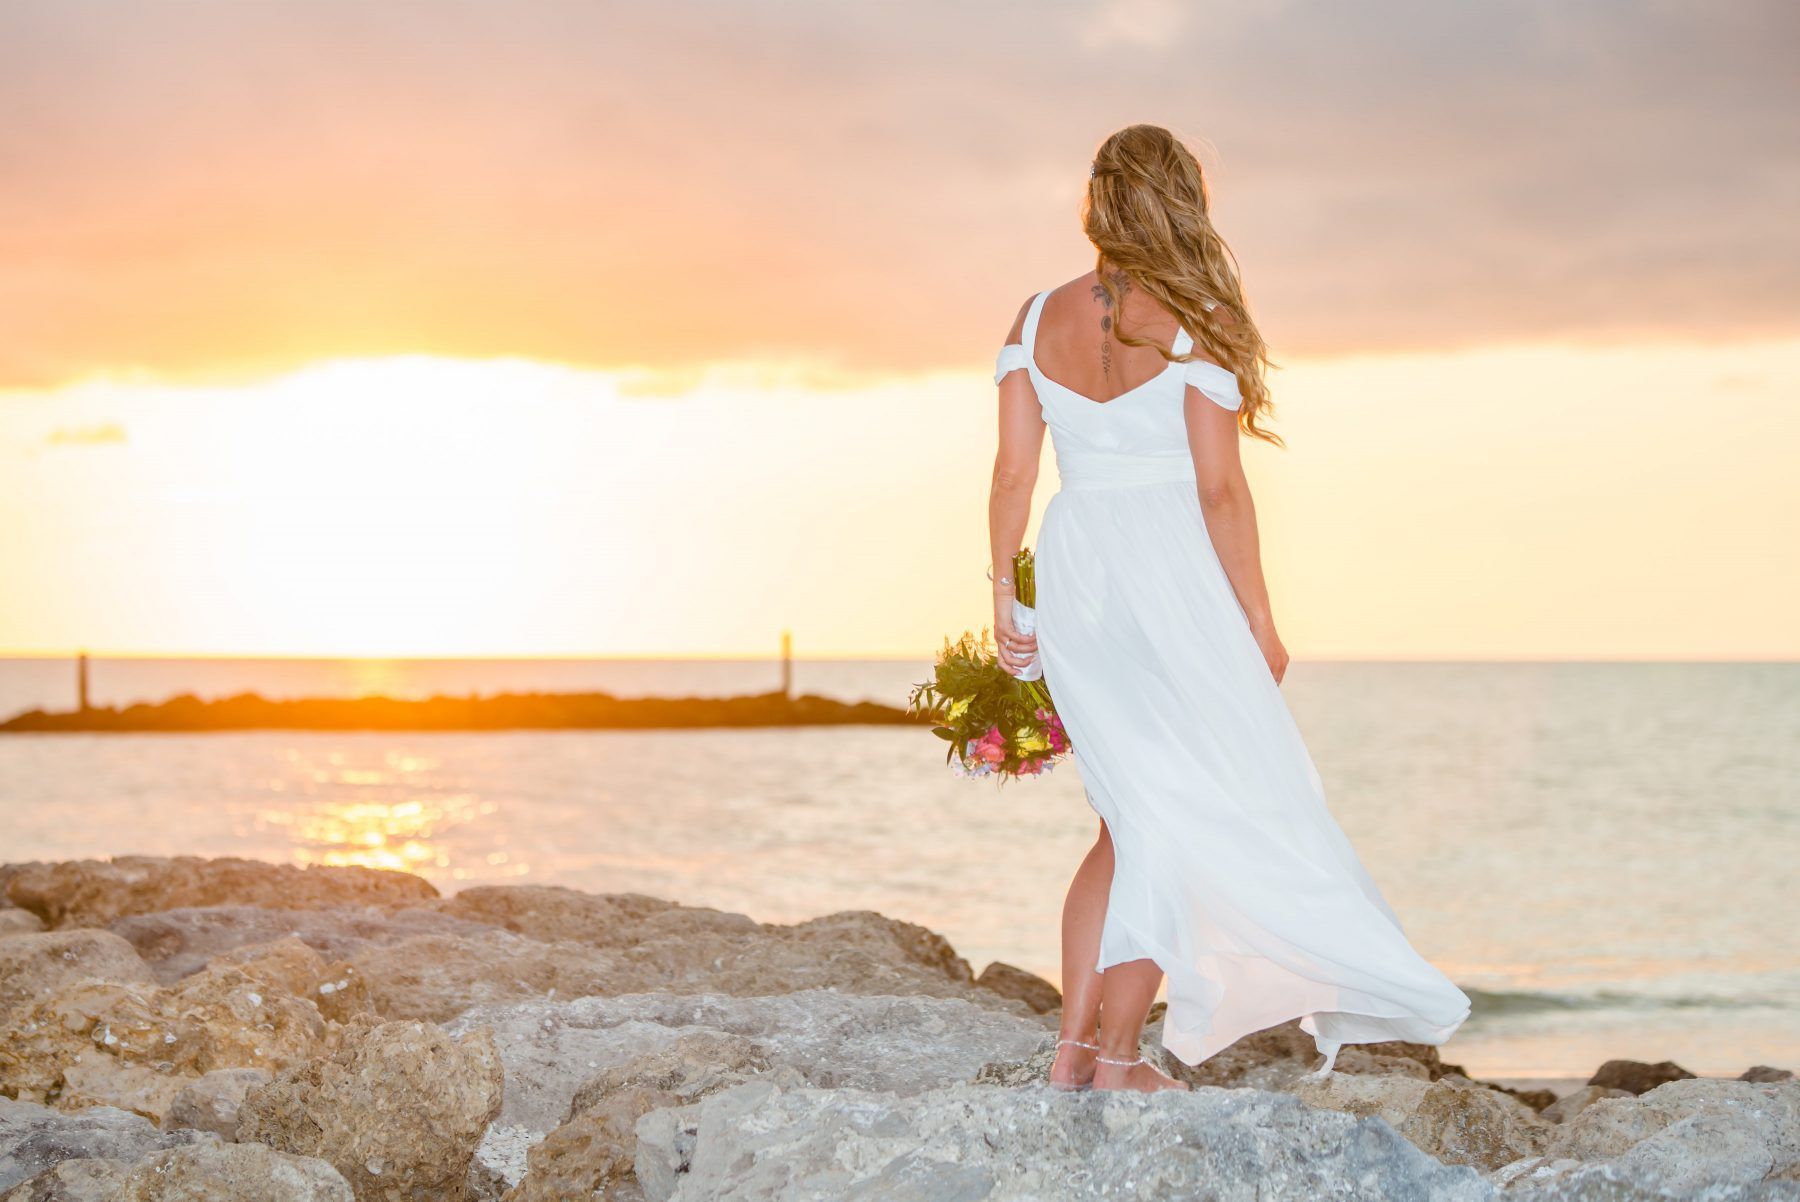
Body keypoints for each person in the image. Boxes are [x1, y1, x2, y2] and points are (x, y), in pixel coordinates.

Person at [988, 124, 1470, 1093]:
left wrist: (1008, 593)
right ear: (1182, 200)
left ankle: (1072, 1052)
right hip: (1172, 574)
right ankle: (1116, 1058)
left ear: (1097, 201)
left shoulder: (1033, 316)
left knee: (1128, 815)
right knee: (1171, 816)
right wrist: (1257, 616)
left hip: (1079, 565)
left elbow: (1011, 471)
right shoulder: (1200, 312)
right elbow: (1219, 491)